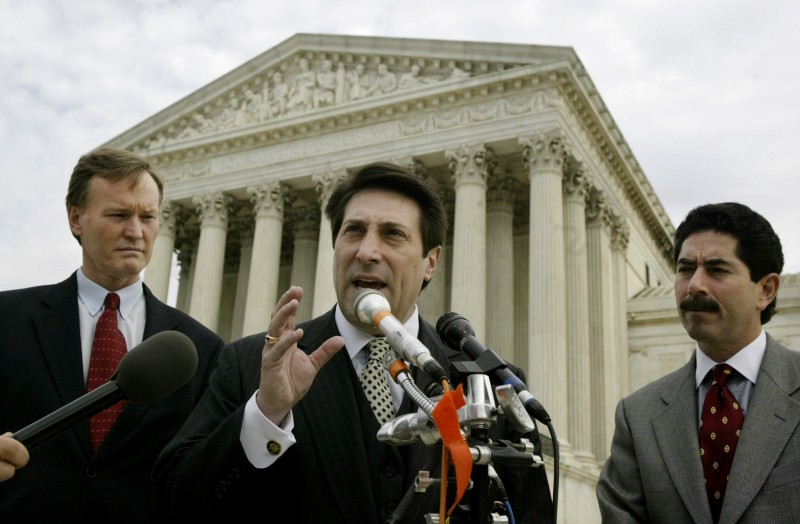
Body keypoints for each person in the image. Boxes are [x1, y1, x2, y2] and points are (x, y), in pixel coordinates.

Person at [155, 161, 554, 523]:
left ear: (431, 261)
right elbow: (177, 504)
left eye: (392, 234)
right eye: (354, 231)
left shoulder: (488, 384)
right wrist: (266, 414)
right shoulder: (250, 364)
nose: (366, 252)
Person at [0, 148, 224, 523]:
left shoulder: (200, 350)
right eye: (119, 214)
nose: (136, 231)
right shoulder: (7, 320)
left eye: (148, 216)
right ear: (76, 219)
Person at [596, 202, 800, 523]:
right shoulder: (637, 416)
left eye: (717, 269)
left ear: (766, 290)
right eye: (685, 268)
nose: (694, 285)